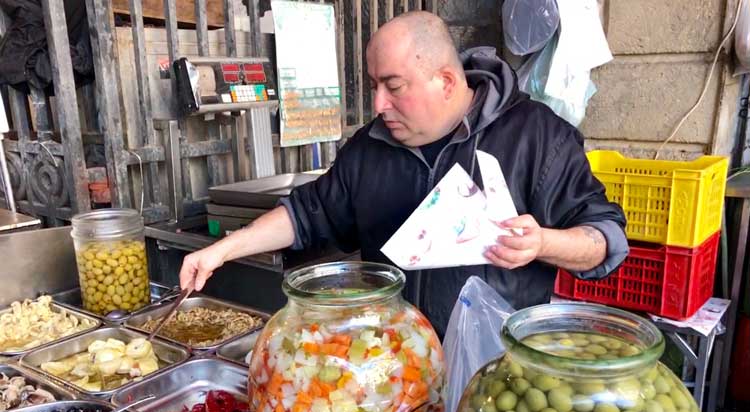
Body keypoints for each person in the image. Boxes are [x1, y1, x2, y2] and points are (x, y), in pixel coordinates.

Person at [180, 11, 628, 337]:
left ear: (447, 82)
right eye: (375, 85)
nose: (378, 104)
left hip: (493, 372)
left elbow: (605, 239)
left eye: (393, 87)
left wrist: (543, 243)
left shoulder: (536, 137)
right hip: (393, 365)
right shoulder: (370, 148)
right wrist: (223, 250)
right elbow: (306, 213)